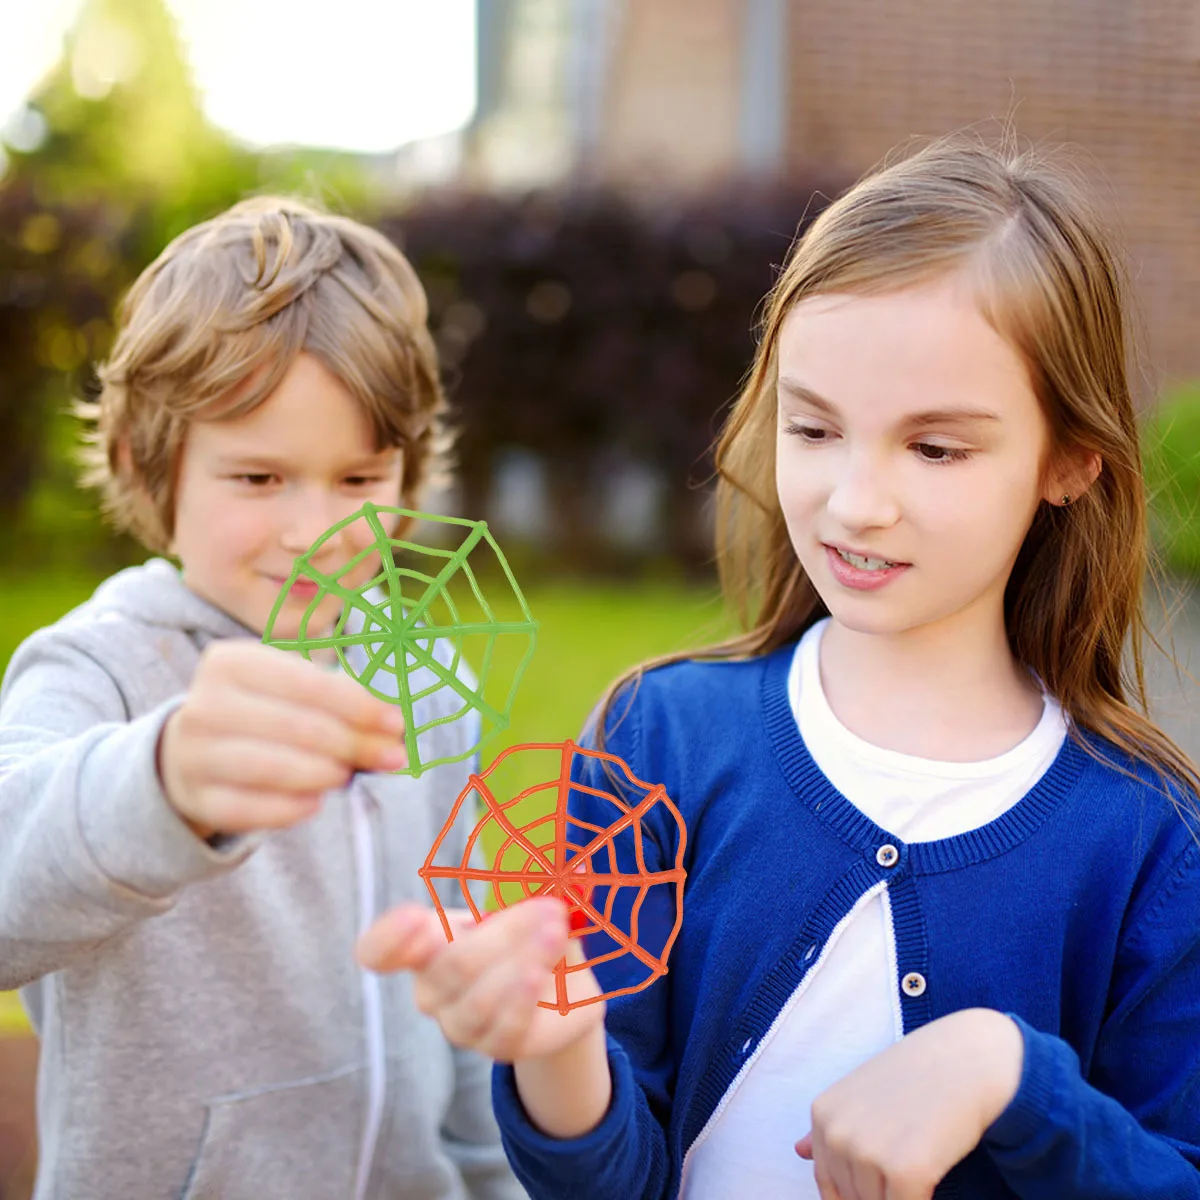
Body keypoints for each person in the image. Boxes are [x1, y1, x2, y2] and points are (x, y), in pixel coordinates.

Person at [355, 135, 1200, 1199]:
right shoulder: (661, 737)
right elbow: (615, 1177)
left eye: (935, 448)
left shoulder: (1149, 841)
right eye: (814, 427)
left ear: (1072, 459)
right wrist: (559, 1048)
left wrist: (1013, 1078)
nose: (855, 501)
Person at [0, 197, 525, 1200]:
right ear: (144, 468)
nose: (313, 531)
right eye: (257, 477)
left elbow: (460, 947)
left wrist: (490, 1177)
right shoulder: (96, 669)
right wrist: (161, 784)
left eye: (358, 478)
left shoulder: (428, 684)